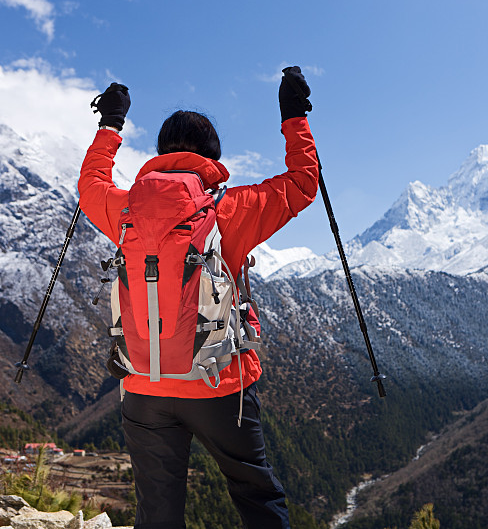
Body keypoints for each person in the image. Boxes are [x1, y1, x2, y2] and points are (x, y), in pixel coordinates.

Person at [77, 67, 319, 528]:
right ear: (211, 158)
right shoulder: (228, 210)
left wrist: (109, 125)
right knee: (255, 493)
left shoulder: (125, 211)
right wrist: (294, 117)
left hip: (143, 384)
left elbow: (90, 185)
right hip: (218, 383)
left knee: (158, 510)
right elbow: (304, 181)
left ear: (161, 154)